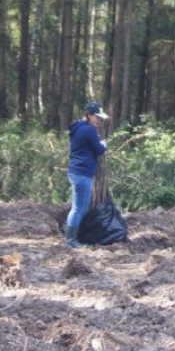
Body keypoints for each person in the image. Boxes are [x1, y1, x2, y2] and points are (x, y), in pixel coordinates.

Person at [65, 101, 109, 248]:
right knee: (78, 208)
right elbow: (99, 150)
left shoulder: (77, 127)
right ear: (89, 115)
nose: (99, 120)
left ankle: (72, 237)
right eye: (97, 117)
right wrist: (103, 144)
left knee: (80, 207)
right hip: (82, 172)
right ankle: (71, 241)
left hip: (76, 171)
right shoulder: (89, 130)